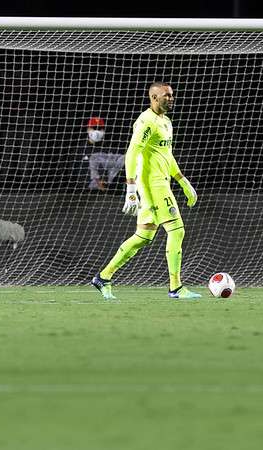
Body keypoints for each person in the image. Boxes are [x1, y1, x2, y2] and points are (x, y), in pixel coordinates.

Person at [91, 82, 201, 300]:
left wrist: (183, 181)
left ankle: (103, 277)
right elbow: (132, 152)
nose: (171, 98)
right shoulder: (146, 122)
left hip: (163, 182)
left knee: (143, 236)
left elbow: (166, 156)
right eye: (166, 95)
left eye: (172, 95)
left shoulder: (166, 122)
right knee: (176, 231)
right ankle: (176, 288)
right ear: (153, 97)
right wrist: (130, 188)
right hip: (152, 185)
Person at [83, 116, 124, 191]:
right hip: (87, 191)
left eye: (99, 129)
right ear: (88, 129)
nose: (97, 131)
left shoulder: (111, 147)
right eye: (94, 128)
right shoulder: (80, 149)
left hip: (110, 190)